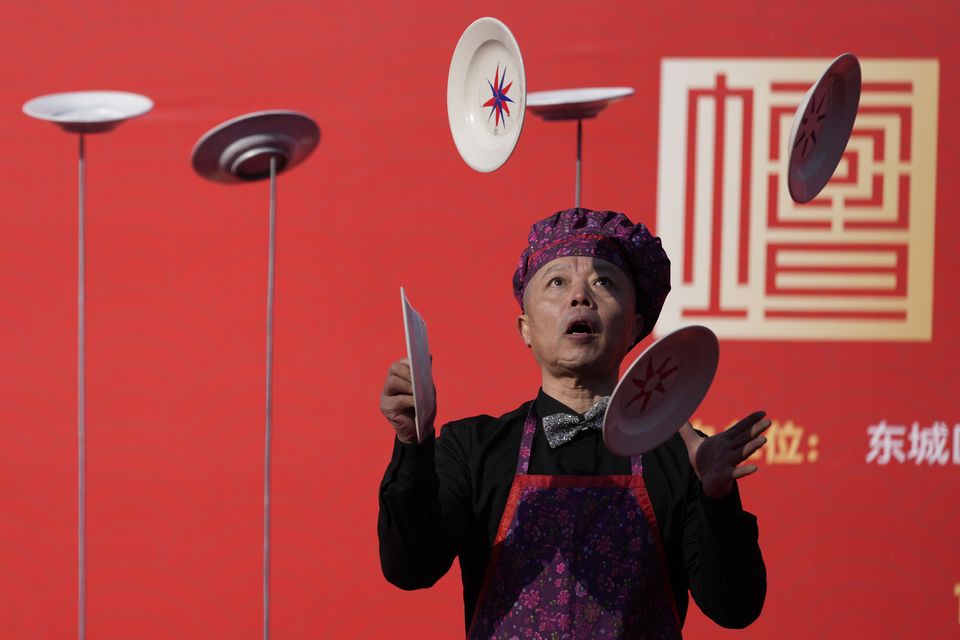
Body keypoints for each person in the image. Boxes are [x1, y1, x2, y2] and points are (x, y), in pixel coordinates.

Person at [378, 208, 768, 638]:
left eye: (603, 282)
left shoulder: (682, 454)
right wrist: (414, 446)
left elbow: (736, 608)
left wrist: (717, 498)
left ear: (635, 325)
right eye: (557, 282)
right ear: (525, 329)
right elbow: (410, 568)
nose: (580, 296)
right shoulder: (472, 448)